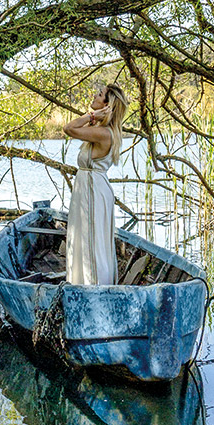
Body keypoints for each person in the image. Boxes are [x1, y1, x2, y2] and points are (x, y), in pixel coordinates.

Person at [62, 83, 127, 285]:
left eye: (99, 95)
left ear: (107, 105)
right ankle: (82, 283)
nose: (95, 96)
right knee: (86, 238)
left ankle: (94, 287)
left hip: (93, 190)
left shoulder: (104, 133)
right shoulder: (100, 130)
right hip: (90, 187)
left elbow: (69, 128)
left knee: (91, 240)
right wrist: (95, 118)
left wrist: (92, 116)